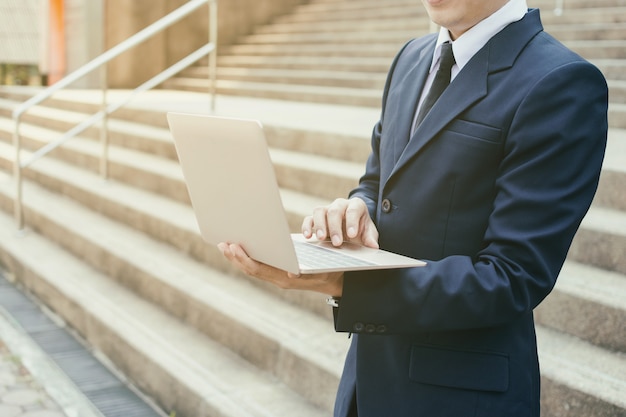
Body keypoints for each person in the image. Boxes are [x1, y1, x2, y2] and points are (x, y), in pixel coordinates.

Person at [218, 0, 609, 415]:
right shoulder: (411, 57)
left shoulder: (562, 82)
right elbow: (377, 183)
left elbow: (513, 277)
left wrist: (344, 284)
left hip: (459, 395)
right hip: (366, 382)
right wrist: (355, 210)